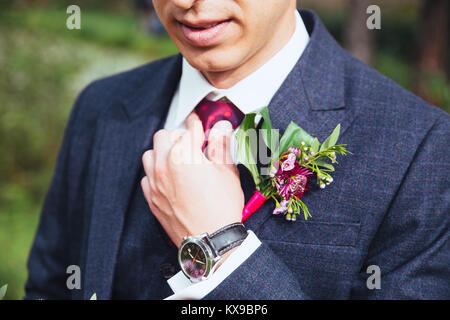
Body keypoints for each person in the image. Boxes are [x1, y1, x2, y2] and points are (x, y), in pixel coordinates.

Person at [26, 0, 449, 300]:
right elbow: (49, 287)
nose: (187, 2)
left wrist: (221, 251)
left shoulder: (421, 148)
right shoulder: (101, 107)